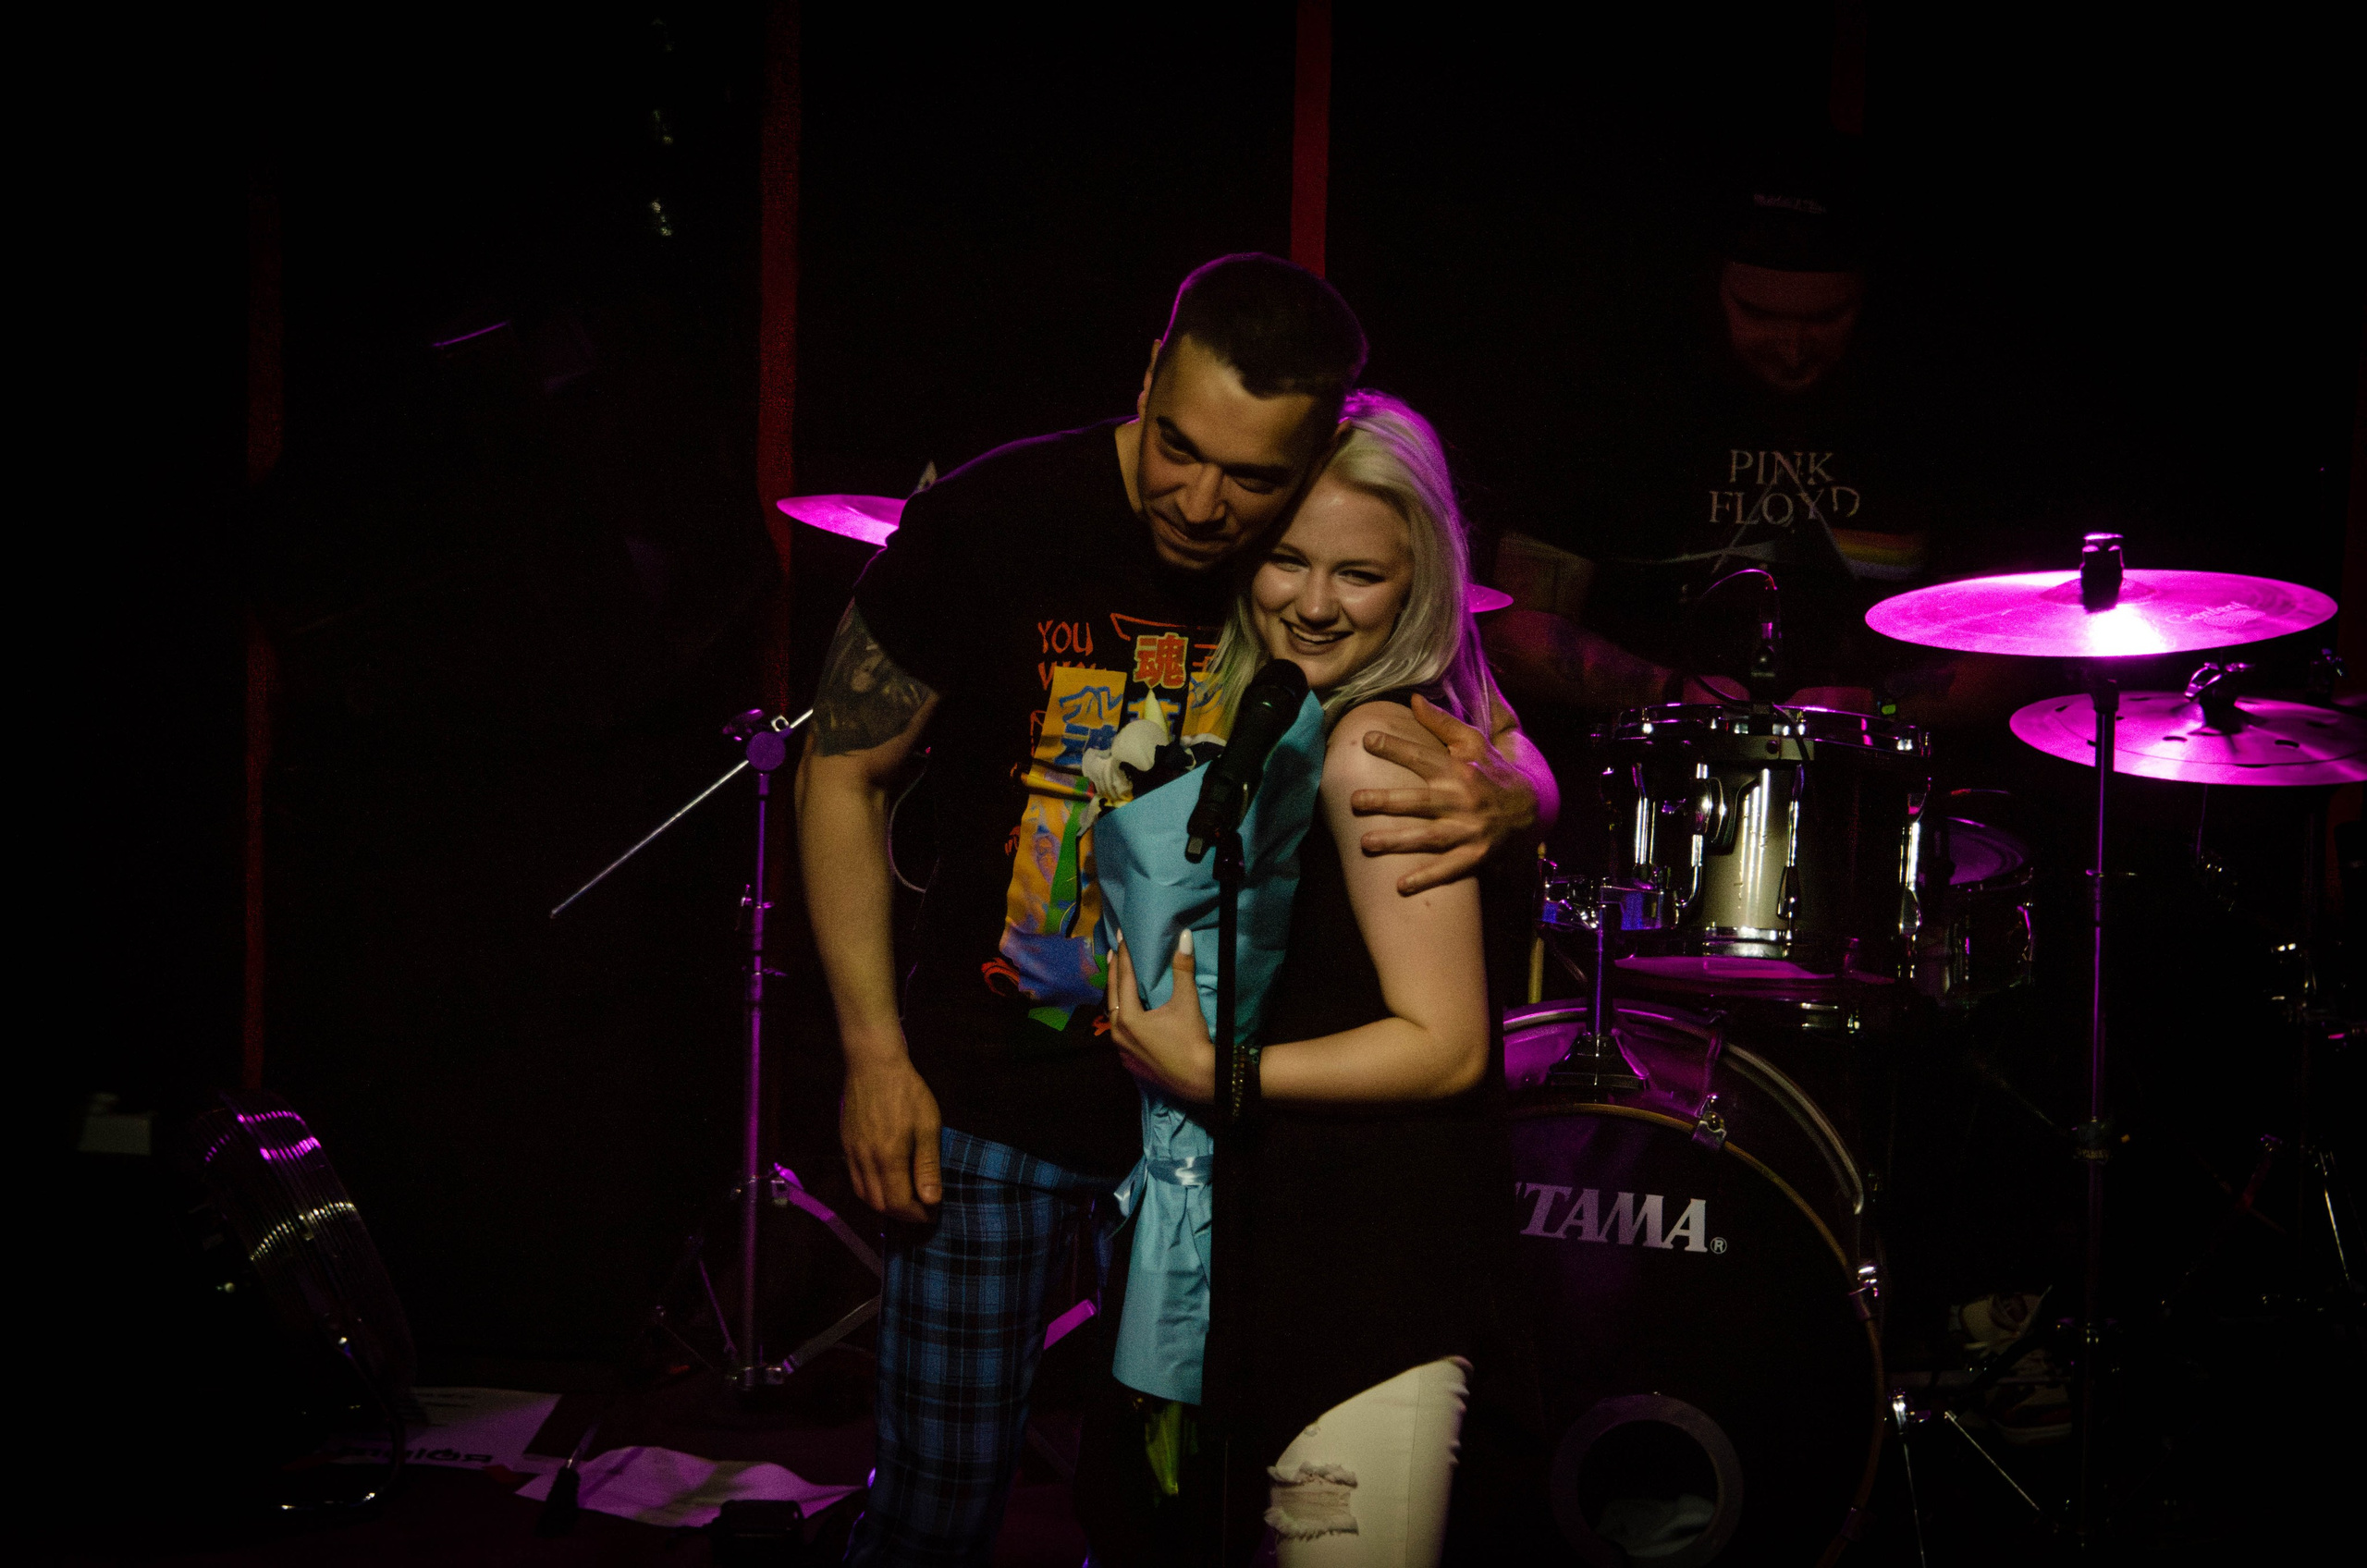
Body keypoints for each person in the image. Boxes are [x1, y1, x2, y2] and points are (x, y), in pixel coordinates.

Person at [793, 254, 1559, 1566]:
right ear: (1148, 377)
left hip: (1227, 1156)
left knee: (1159, 1520)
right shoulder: (998, 518)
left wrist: (1523, 793)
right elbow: (841, 768)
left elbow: (1470, 705)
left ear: (1312, 451)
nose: (1204, 505)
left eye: (1250, 478)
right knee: (936, 1508)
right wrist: (872, 1055)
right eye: (1178, 448)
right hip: (996, 1108)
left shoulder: (1312, 544)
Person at [1104, 392, 1521, 1566]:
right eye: (1287, 557)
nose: (1314, 601)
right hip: (1290, 1244)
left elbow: (1444, 1042)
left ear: (1421, 582)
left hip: (1366, 1274)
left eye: (1362, 575)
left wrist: (1213, 1068)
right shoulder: (1298, 715)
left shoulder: (1374, 742)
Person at [1483, 138, 2029, 729]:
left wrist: (1875, 707)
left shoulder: (1934, 416)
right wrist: (1668, 691)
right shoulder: (1614, 404)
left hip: (1874, 779)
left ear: (1866, 301)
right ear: (1713, 288)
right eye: (1759, 313)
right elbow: (1511, 629)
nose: (1792, 349)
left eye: (1824, 318)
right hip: (1652, 769)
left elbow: (2027, 645)